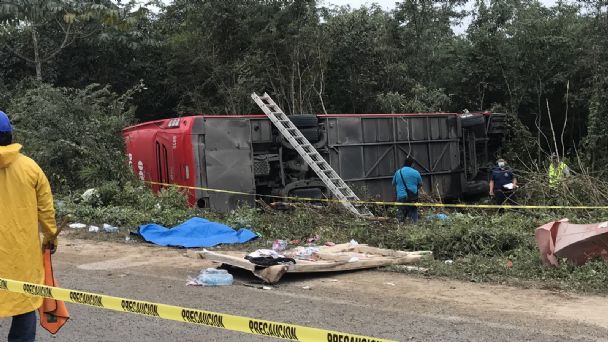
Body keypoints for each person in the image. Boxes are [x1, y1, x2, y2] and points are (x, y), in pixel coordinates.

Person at [0, 111, 58, 342]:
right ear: (11, 135)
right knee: (24, 301)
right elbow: (46, 211)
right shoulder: (31, 168)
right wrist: (51, 238)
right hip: (21, 256)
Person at [392, 156, 423, 223]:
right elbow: (420, 184)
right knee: (413, 215)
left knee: (401, 215)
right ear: (412, 164)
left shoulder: (398, 172)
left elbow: (393, 184)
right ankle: (414, 228)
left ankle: (400, 228)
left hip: (401, 196)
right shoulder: (416, 172)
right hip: (412, 197)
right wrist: (414, 189)